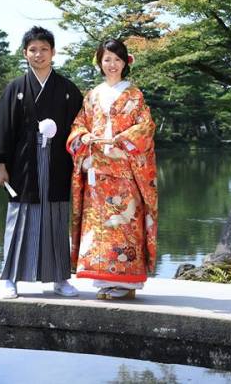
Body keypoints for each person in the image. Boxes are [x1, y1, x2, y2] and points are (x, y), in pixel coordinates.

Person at [0, 26, 83, 298]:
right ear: (25, 53)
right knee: (20, 218)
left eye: (44, 49)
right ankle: (10, 278)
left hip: (58, 162)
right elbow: (3, 128)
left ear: (53, 52)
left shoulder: (67, 89)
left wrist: (83, 160)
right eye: (33, 50)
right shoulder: (16, 88)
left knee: (56, 218)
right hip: (23, 164)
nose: (39, 54)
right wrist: (1, 166)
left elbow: (80, 127)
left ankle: (60, 278)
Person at [66, 38, 158, 300]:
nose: (112, 64)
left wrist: (121, 140)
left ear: (125, 62)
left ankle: (127, 282)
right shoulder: (92, 95)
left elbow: (146, 127)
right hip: (97, 170)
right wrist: (83, 137)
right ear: (99, 62)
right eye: (107, 59)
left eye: (117, 59)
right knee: (99, 227)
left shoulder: (134, 94)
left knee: (125, 223)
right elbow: (79, 124)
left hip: (125, 170)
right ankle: (104, 279)